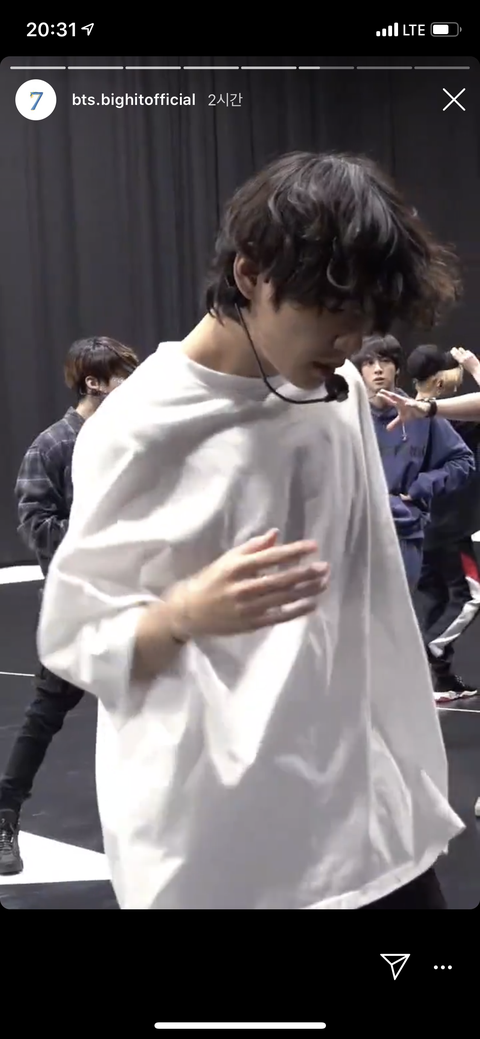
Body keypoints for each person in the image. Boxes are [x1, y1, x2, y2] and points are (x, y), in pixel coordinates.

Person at [37, 151, 465, 910]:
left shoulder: (331, 393)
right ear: (250, 273)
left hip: (364, 815)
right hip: (226, 839)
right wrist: (183, 613)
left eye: (364, 328)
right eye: (332, 320)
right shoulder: (138, 431)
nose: (350, 349)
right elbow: (74, 636)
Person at [0, 336, 139, 875]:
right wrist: (102, 533)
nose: (134, 386)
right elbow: (37, 526)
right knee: (46, 713)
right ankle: (5, 814)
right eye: (123, 376)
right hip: (79, 605)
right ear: (94, 383)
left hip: (140, 602)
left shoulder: (135, 437)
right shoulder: (53, 446)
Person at [353, 335, 474, 593]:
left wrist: (422, 486)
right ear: (360, 370)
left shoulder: (420, 413)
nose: (377, 369)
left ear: (397, 368)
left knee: (398, 613)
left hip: (403, 532)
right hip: (356, 533)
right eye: (369, 362)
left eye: (385, 361)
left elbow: (463, 461)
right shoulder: (347, 417)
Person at [406, 344, 480, 701]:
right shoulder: (451, 418)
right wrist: (475, 366)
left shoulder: (406, 416)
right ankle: (429, 650)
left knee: (435, 599)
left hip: (421, 526)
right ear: (439, 382)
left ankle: (440, 681)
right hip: (448, 528)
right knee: (471, 597)